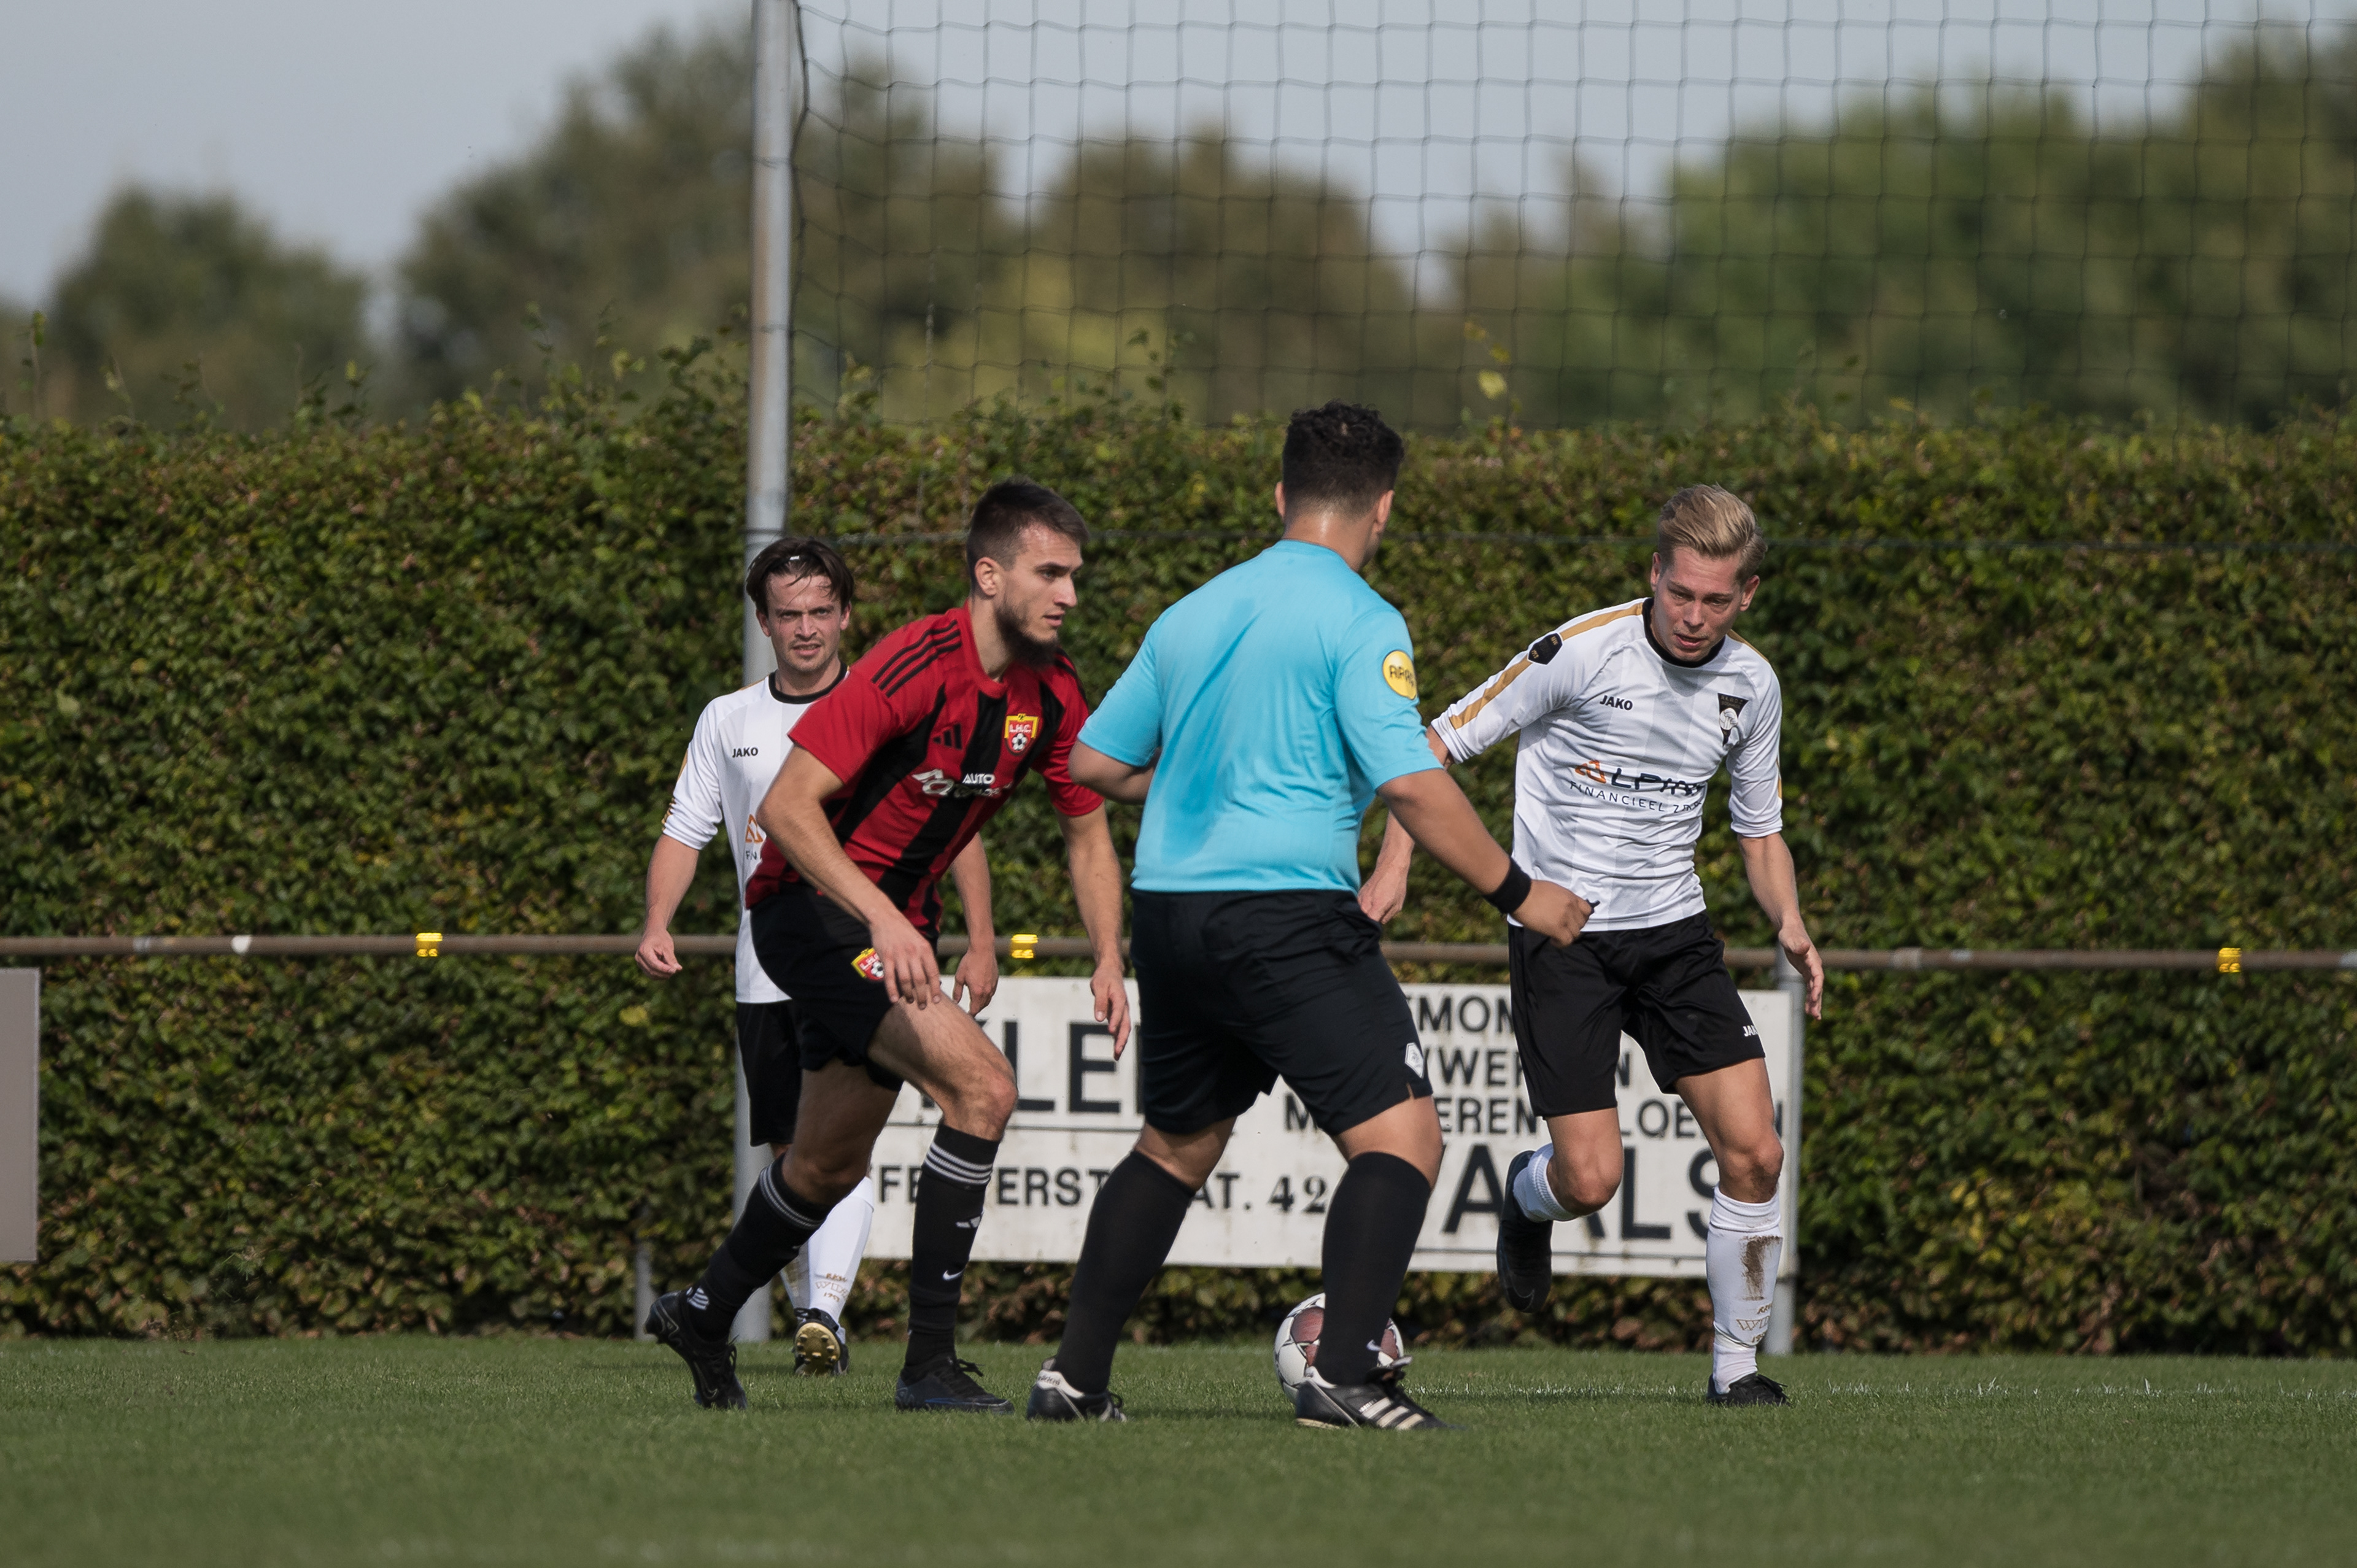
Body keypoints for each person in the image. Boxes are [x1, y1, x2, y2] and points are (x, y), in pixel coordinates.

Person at [1027, 401, 1583, 1431]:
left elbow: (1095, 762)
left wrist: (1200, 780)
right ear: (1384, 510)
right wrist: (1522, 893)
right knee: (1404, 1140)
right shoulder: (1363, 620)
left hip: (1172, 916)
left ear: (1281, 495)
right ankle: (1345, 1375)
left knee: (1175, 1148)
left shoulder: (1191, 612)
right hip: (1284, 913)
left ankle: (1073, 1381)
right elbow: (1410, 784)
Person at [646, 479, 1130, 1414]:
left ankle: (701, 1315)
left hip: (885, 923)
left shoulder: (1055, 690)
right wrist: (882, 916)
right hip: (811, 913)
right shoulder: (915, 664)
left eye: (1075, 575)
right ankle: (927, 1366)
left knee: (826, 1165)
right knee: (983, 1089)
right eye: (1050, 573)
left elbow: (1086, 831)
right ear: (988, 576)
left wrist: (1109, 955)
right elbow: (787, 808)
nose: (1069, 594)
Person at [1360, 483, 1826, 1408]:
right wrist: (1393, 868)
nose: (1693, 617)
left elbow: (1759, 828)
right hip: (1561, 935)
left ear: (1748, 595)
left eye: (1717, 600)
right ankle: (1525, 1198)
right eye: (1680, 592)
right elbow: (1432, 747)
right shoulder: (1577, 652)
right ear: (1654, 573)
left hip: (1675, 936)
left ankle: (1736, 1372)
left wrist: (1790, 920)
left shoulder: (1753, 685)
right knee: (1590, 1179)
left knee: (1758, 1153)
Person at [635, 536, 998, 1379]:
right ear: (764, 623)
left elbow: (959, 830)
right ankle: (766, 1312)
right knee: (798, 1156)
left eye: (821, 611)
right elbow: (685, 829)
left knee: (853, 1139)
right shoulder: (727, 719)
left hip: (870, 958)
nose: (806, 628)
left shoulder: (891, 704)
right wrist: (658, 921)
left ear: (845, 616)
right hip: (769, 966)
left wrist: (981, 940)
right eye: (789, 614)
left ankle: (821, 1312)